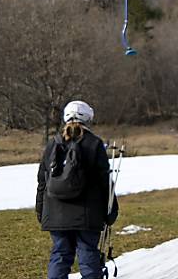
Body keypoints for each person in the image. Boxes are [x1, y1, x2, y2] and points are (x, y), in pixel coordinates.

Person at [36, 100, 118, 279]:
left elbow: (42, 180)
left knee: (60, 255)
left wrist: (41, 210)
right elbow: (105, 181)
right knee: (88, 256)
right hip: (87, 215)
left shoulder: (52, 144)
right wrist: (111, 211)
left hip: (55, 214)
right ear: (88, 118)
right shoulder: (94, 144)